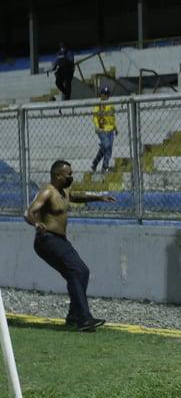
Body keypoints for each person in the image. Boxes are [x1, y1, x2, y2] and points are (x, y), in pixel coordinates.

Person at [24, 160, 116, 331]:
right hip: (47, 240)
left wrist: (98, 197)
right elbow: (29, 212)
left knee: (82, 272)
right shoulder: (47, 192)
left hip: (59, 241)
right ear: (58, 175)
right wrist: (36, 223)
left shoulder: (64, 191)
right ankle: (83, 319)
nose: (71, 177)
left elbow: (76, 196)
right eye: (69, 174)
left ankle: (74, 317)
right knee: (75, 270)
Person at [91, 86, 117, 173]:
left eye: (106, 94)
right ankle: (97, 162)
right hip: (102, 129)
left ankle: (104, 167)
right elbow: (95, 117)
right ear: (101, 95)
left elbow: (112, 118)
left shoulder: (111, 105)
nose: (105, 96)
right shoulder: (98, 106)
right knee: (106, 145)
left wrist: (116, 128)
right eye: (103, 94)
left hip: (110, 130)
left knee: (108, 148)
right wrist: (97, 127)